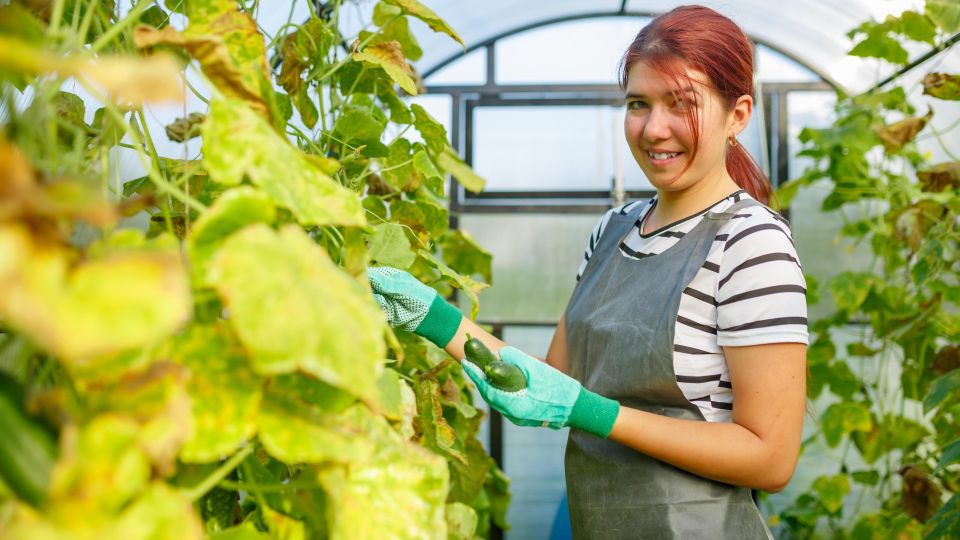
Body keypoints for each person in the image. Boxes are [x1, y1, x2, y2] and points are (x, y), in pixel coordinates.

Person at [367, 5, 808, 539]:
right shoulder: (615, 229)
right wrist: (433, 317)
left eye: (681, 104)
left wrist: (596, 414)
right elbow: (554, 383)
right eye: (638, 104)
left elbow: (770, 458)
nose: (654, 128)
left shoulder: (751, 241)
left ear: (738, 115)